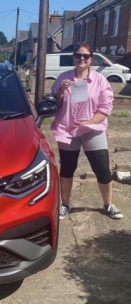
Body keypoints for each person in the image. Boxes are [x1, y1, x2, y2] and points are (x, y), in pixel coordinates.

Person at [50, 43, 123, 220]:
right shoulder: (63, 78)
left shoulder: (100, 80)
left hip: (93, 129)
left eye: (86, 56)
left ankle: (108, 204)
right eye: (78, 55)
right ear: (73, 57)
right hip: (68, 129)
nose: (81, 58)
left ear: (91, 59)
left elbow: (105, 108)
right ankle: (65, 205)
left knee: (102, 168)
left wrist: (89, 122)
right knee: (67, 169)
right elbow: (55, 105)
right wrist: (61, 91)